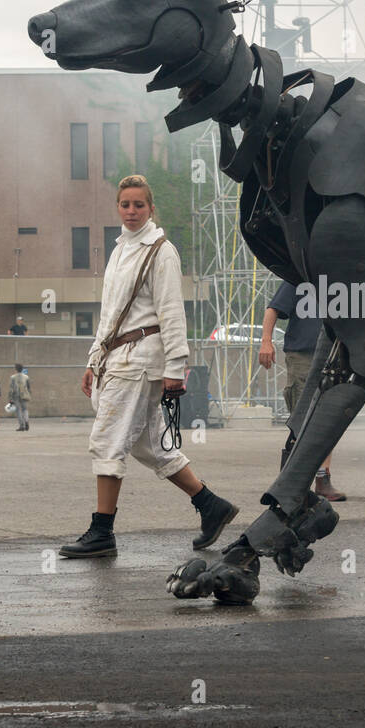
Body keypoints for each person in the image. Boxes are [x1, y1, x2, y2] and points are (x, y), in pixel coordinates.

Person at [62, 174, 239, 558]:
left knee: (107, 441)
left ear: (150, 208)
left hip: (140, 361)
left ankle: (102, 531)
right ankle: (211, 505)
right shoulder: (120, 250)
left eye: (138, 205)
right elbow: (110, 313)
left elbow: (172, 313)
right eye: (125, 204)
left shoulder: (161, 251)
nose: (130, 211)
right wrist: (94, 359)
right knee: (149, 446)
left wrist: (176, 368)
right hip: (117, 358)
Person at [260, 281, 346, 502]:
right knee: (302, 420)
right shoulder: (298, 277)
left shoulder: (339, 280)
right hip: (303, 357)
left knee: (327, 420)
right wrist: (266, 342)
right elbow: (273, 309)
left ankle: (322, 480)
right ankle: (290, 481)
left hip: (332, 357)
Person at [9, 363, 31, 431]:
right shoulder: (26, 377)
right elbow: (28, 387)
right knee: (25, 409)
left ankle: (22, 425)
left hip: (16, 395)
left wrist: (10, 398)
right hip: (24, 395)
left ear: (16, 369)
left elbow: (11, 388)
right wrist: (29, 393)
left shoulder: (12, 377)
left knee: (18, 411)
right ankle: (26, 421)